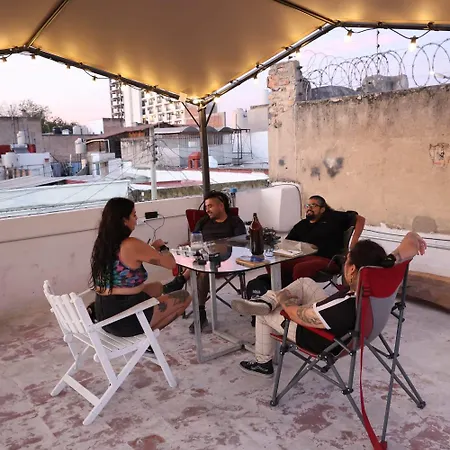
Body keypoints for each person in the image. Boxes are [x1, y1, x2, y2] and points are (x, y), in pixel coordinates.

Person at [231, 231, 427, 377]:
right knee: (305, 282)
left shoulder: (343, 306)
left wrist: (284, 301)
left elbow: (295, 314)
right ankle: (266, 301)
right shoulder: (380, 278)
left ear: (351, 269)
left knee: (266, 314)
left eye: (346, 261)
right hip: (358, 330)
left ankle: (263, 362)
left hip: (324, 339)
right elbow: (409, 240)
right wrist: (411, 241)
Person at [90, 197, 192, 342]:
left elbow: (126, 260)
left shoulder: (104, 243)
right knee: (184, 297)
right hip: (123, 319)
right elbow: (171, 263)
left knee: (157, 287)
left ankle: (176, 283)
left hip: (104, 312)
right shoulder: (131, 244)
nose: (136, 218)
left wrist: (150, 249)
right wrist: (162, 247)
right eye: (134, 214)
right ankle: (146, 339)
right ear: (124, 220)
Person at [163, 190, 246, 333]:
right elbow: (195, 241)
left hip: (226, 259)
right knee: (201, 266)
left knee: (204, 263)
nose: (207, 210)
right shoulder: (203, 221)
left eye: (210, 206)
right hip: (203, 258)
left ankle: (181, 280)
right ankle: (200, 314)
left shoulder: (234, 221)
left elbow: (241, 243)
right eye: (206, 206)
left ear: (221, 206)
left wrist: (218, 246)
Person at [281, 195, 366, 284]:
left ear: (322, 209)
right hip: (303, 257)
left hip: (328, 259)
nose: (309, 208)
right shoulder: (301, 225)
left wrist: (354, 241)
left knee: (300, 268)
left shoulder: (334, 218)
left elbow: (360, 219)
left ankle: (301, 291)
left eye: (313, 205)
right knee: (278, 266)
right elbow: (288, 242)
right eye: (307, 206)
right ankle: (284, 291)